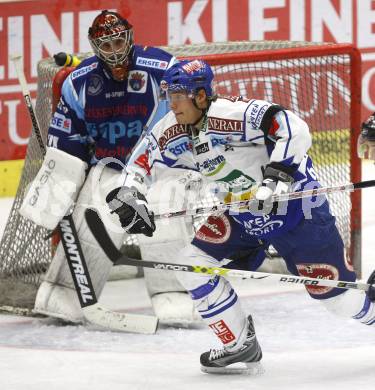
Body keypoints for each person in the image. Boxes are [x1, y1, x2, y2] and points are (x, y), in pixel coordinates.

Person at [106, 59, 375, 374]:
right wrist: (129, 194)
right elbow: (140, 161)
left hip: (300, 213)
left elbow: (293, 128)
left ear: (202, 95)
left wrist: (275, 179)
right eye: (169, 94)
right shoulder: (170, 128)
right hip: (243, 216)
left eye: (179, 94)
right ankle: (238, 343)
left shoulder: (234, 115)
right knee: (192, 266)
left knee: (337, 300)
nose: (172, 102)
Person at [19, 10, 198, 326]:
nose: (115, 51)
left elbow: (190, 112)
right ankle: (64, 293)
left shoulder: (163, 68)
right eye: (106, 45)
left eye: (119, 41)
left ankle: (175, 295)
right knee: (93, 220)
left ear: (129, 36)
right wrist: (58, 184)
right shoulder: (79, 82)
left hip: (160, 168)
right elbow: (66, 140)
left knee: (167, 217)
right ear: (94, 46)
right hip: (111, 169)